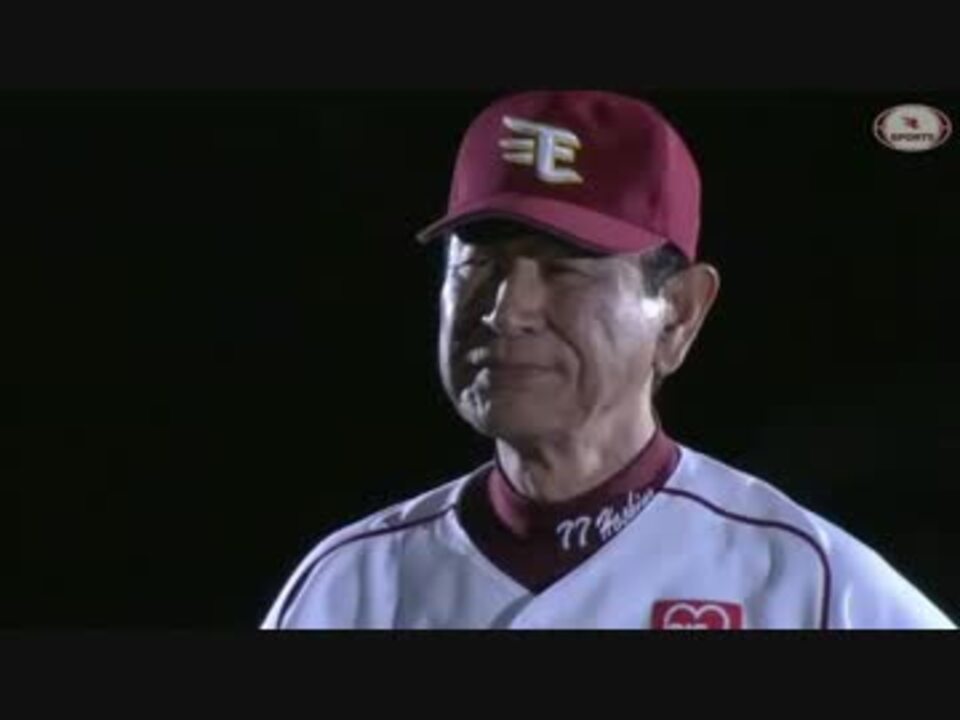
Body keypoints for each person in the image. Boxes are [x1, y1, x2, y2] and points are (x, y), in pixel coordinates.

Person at [261, 90, 955, 629]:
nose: (507, 309)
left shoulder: (807, 585)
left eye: (564, 268)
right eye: (477, 265)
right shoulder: (346, 586)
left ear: (678, 312)